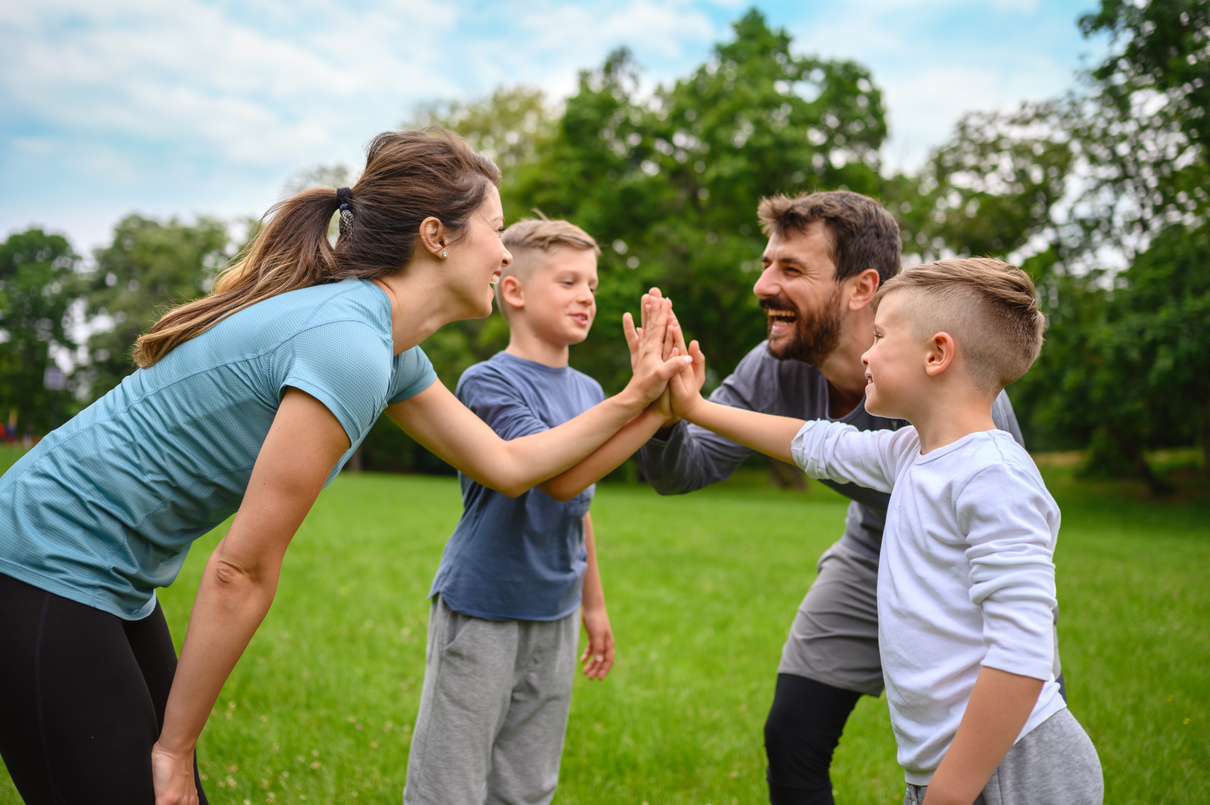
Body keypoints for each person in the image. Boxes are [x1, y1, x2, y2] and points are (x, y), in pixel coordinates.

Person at [0, 129, 689, 805]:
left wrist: (638, 400)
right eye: (496, 230)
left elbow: (507, 464)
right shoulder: (348, 345)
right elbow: (241, 571)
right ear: (436, 235)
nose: (504, 255)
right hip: (40, 559)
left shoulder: (386, 349)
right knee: (156, 779)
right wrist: (176, 748)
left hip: (107, 575)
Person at [637, 191, 1035, 805]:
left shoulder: (958, 400)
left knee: (1005, 747)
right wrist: (670, 414)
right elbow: (696, 466)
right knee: (792, 734)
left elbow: (1016, 593)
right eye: (767, 264)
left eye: (791, 270)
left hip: (956, 562)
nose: (763, 285)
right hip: (872, 548)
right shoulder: (775, 367)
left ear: (861, 287)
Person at [405, 216, 622, 804]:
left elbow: (579, 505)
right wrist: (645, 402)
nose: (585, 297)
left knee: (528, 783)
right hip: (484, 606)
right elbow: (554, 479)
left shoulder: (590, 394)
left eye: (593, 286)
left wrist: (593, 604)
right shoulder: (488, 382)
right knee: (450, 780)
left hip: (554, 611)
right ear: (515, 291)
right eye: (569, 282)